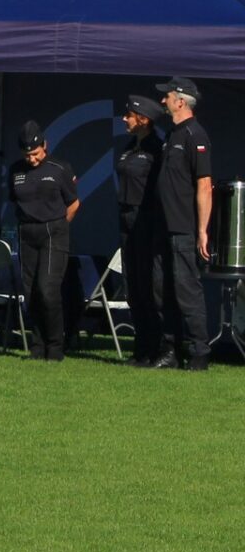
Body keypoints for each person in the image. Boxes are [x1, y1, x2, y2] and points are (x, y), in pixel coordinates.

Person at [152, 76, 213, 371]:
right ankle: (170, 351)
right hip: (163, 227)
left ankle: (199, 352)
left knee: (187, 291)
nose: (162, 100)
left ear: (180, 101)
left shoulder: (194, 135)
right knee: (162, 291)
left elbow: (204, 186)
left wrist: (202, 230)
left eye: (167, 96)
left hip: (183, 228)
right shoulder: (171, 135)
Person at [8, 121, 80, 361]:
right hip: (27, 232)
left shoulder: (59, 168)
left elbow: (73, 203)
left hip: (53, 231)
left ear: (45, 146)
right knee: (31, 293)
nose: (32, 159)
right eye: (27, 155)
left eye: (36, 154)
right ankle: (37, 346)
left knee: (47, 289)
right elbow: (15, 200)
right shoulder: (16, 171)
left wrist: (59, 226)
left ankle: (56, 345)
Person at [114, 94, 167, 365]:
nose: (125, 119)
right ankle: (140, 348)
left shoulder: (156, 149)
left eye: (129, 115)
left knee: (148, 285)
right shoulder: (129, 147)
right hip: (126, 218)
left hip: (146, 219)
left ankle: (155, 348)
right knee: (133, 284)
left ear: (143, 120)